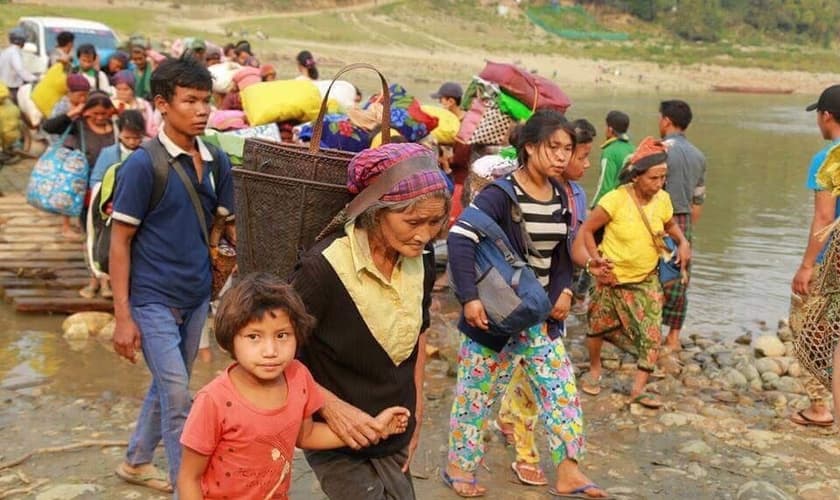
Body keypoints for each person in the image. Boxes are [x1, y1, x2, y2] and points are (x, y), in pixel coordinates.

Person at [445, 110, 608, 499]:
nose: (561, 157)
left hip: (537, 319)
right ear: (530, 147)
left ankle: (569, 471)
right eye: (553, 148)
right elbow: (459, 238)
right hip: (495, 318)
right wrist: (469, 299)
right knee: (476, 394)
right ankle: (458, 468)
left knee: (561, 390)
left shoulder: (561, 196)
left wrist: (576, 280)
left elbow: (563, 255)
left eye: (567, 150)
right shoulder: (501, 194)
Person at [290, 143, 450, 499]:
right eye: (412, 222)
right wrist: (329, 405)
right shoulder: (322, 269)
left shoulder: (420, 261)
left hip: (395, 426)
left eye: (434, 222)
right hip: (336, 435)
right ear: (375, 212)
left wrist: (418, 404)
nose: (424, 235)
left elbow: (419, 332)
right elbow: (280, 353)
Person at [110, 56, 236, 492]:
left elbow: (230, 226)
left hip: (197, 294)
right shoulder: (143, 166)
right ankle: (189, 488)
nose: (202, 110)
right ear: (162, 104)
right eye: (190, 101)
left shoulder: (217, 160)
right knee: (180, 396)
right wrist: (123, 316)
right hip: (151, 298)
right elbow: (120, 242)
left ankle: (136, 461)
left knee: (170, 387)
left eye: (207, 101)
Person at [177, 273, 410, 499]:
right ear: (230, 339)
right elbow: (190, 478)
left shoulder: (298, 377)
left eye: (282, 335)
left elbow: (305, 435)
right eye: (254, 337)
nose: (270, 351)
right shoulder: (213, 401)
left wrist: (374, 429)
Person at [493, 118, 596, 488]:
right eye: (574, 154)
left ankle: (561, 465)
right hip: (515, 308)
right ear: (538, 148)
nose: (581, 163)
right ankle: (522, 452)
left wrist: (571, 287)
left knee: (547, 385)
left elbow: (568, 251)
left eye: (578, 154)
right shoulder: (511, 193)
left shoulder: (575, 197)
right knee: (518, 382)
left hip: (552, 308)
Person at [572, 137, 690, 409]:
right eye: (653, 178)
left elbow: (671, 226)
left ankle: (638, 389)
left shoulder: (663, 200)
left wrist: (683, 242)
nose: (659, 183)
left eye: (663, 177)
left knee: (651, 334)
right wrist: (596, 258)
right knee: (597, 327)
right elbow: (587, 230)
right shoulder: (614, 200)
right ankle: (594, 369)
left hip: (646, 279)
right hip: (610, 279)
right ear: (636, 177)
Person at [788, 84, 840, 428]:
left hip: (832, 259)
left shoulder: (827, 159)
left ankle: (821, 406)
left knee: (805, 324)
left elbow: (823, 219)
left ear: (826, 116)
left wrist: (807, 266)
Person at [82, 109, 146, 299]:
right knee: (99, 244)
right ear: (120, 134)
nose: (133, 142)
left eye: (137, 138)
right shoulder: (109, 153)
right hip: (107, 210)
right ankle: (99, 281)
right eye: (128, 137)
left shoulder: (147, 152)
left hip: (136, 209)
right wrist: (108, 197)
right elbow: (95, 180)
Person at [658, 100, 705, 351]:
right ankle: (674, 336)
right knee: (681, 276)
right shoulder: (699, 155)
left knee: (653, 275)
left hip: (660, 217)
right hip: (685, 219)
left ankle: (650, 329)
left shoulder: (661, 149)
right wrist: (685, 233)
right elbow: (699, 199)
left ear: (666, 120)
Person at [42, 90, 116, 240]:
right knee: (88, 221)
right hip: (84, 181)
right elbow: (49, 127)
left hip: (110, 181)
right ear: (87, 111)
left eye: (104, 113)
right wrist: (73, 112)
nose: (100, 117)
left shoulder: (116, 126)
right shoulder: (79, 125)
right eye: (95, 113)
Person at [591, 110, 634, 208]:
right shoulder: (632, 148)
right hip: (628, 202)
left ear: (610, 129)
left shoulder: (609, 152)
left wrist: (593, 207)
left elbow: (604, 186)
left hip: (613, 205)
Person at [111, 69, 158, 137]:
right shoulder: (111, 104)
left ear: (133, 89)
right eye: (118, 89)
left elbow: (150, 127)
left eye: (126, 89)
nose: (122, 93)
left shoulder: (143, 104)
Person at [0, 28, 36, 104]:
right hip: (11, 90)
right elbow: (20, 69)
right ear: (21, 41)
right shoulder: (14, 53)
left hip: (3, 87)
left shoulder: (6, 51)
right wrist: (34, 79)